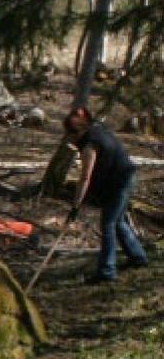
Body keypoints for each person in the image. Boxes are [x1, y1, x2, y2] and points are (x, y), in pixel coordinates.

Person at [63, 106, 149, 283]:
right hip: (122, 179)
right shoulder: (97, 131)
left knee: (108, 223)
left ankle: (107, 272)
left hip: (122, 181)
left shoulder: (89, 145)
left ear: (76, 133)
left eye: (69, 135)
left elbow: (85, 176)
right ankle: (138, 258)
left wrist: (75, 206)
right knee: (118, 221)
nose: (68, 138)